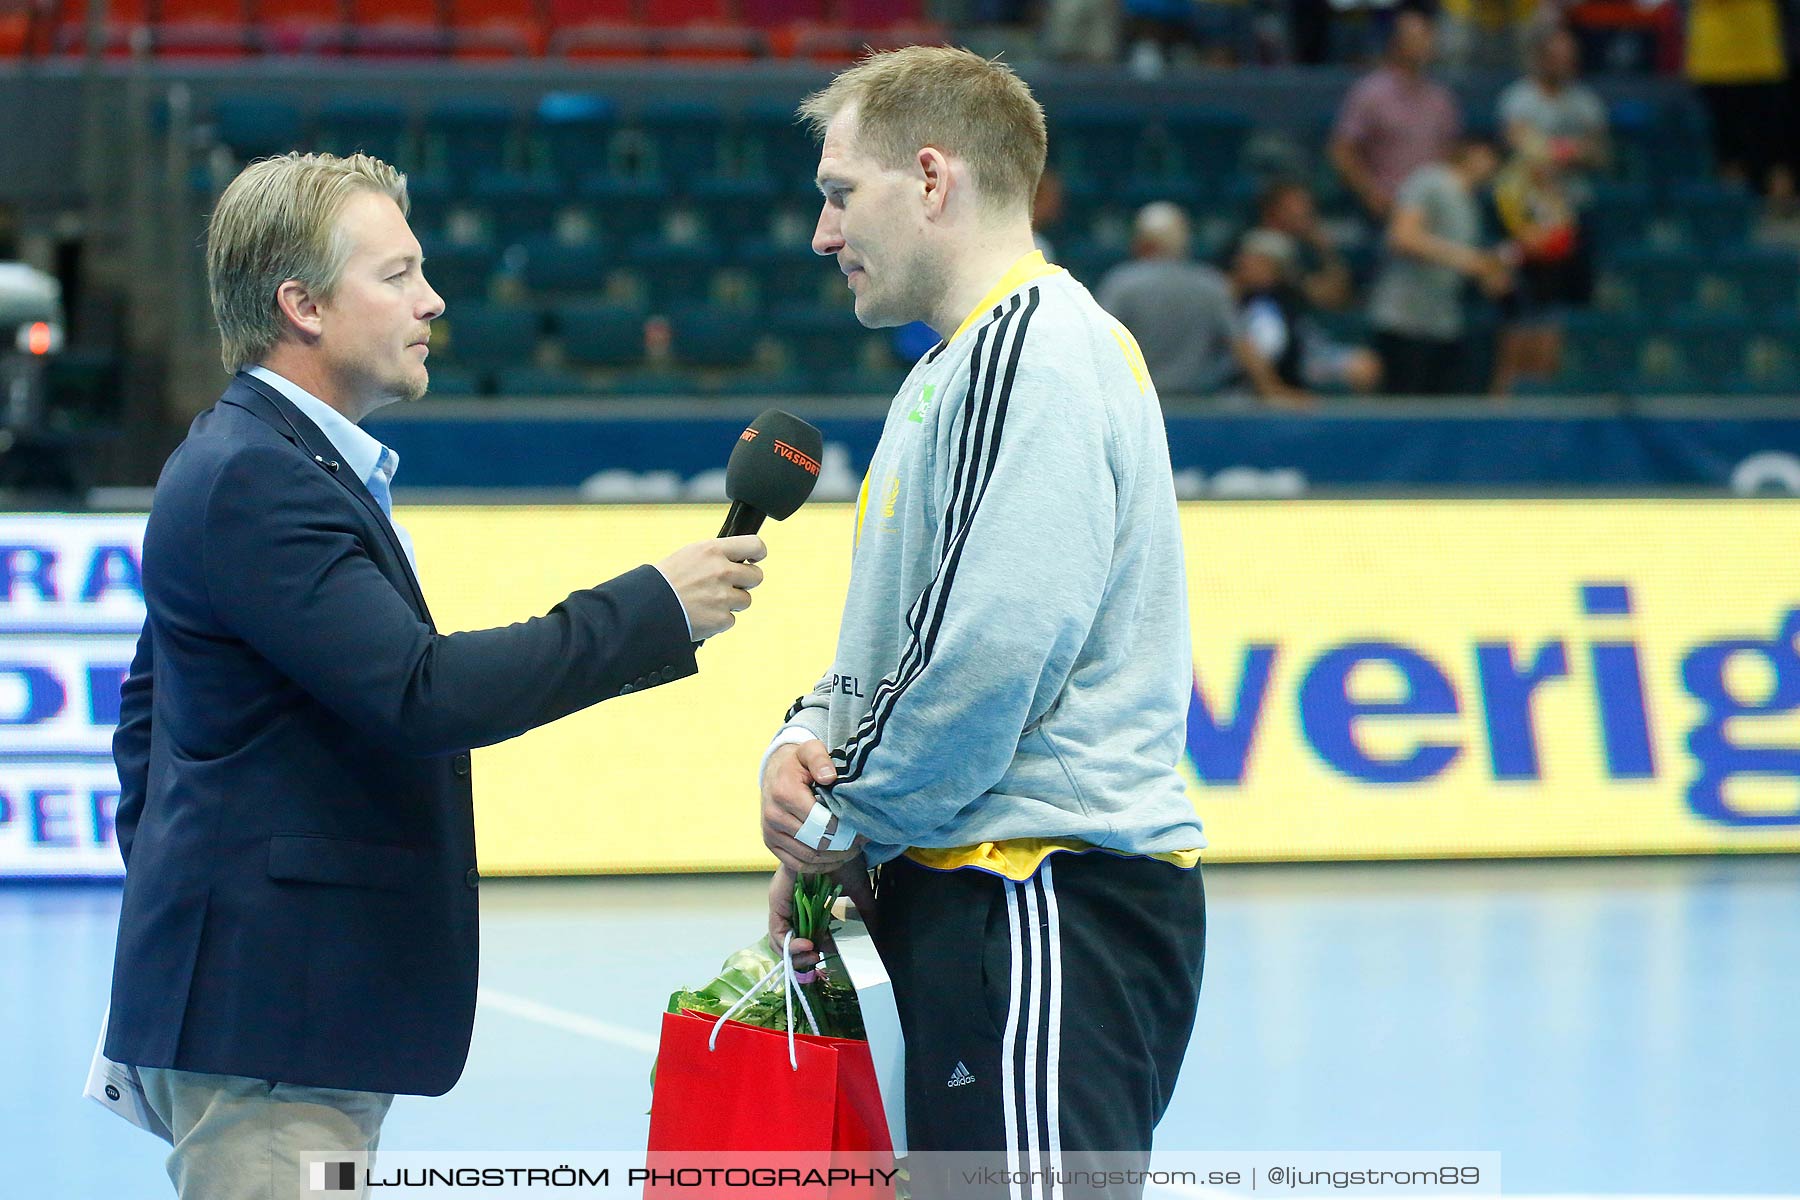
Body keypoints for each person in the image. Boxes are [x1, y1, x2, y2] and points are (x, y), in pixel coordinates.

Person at [105, 152, 766, 1199]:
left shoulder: (272, 462)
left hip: (282, 1006)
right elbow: (423, 694)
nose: (433, 299)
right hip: (275, 1021)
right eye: (399, 274)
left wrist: (184, 916)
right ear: (304, 305)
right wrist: (651, 609)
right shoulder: (257, 478)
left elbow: (149, 715)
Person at [757, 46, 1208, 1199]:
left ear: (930, 178)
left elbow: (988, 655)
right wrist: (803, 751)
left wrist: (838, 820)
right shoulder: (951, 374)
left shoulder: (1034, 354)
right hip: (982, 890)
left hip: (1039, 892)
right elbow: (894, 643)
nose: (821, 232)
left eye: (838, 193)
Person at [1368, 135, 1513, 395]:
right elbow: (1402, 237)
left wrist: (1488, 273)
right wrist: (1470, 261)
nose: (1492, 165)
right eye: (1489, 156)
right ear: (1471, 151)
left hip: (1443, 325)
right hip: (1405, 322)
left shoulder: (1471, 203)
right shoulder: (1431, 181)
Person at [1096, 201, 1245, 395]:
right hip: (1200, 404)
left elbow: (1098, 343)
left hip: (1138, 400)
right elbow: (1241, 346)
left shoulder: (1122, 283)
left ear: (1143, 242)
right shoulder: (1211, 284)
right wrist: (1273, 391)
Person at [1330, 9, 1462, 223]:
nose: (1424, 45)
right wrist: (1369, 192)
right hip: (1386, 205)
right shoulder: (1370, 92)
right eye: (1416, 38)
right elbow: (1342, 150)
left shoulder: (1441, 98)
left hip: (1433, 207)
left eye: (1427, 37)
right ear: (1395, 43)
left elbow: (1451, 153)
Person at [1232, 230, 1382, 395]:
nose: (1254, 268)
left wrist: (1325, 249)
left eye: (1263, 262)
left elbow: (1335, 293)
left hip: (1305, 354)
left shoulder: (1292, 291)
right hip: (1246, 363)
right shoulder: (1228, 293)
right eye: (1250, 262)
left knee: (1364, 366)